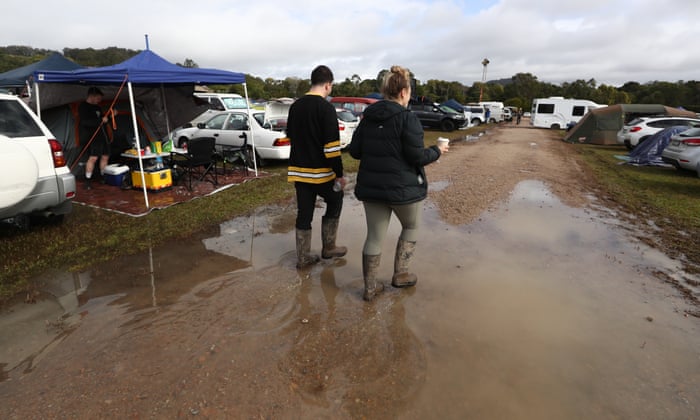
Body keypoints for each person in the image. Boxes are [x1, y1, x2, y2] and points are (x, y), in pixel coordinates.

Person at [349, 65, 449, 301]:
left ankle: (370, 289)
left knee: (374, 237)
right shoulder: (408, 119)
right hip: (404, 191)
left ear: (385, 90)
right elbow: (417, 157)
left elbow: (354, 152)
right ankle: (400, 274)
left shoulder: (368, 117)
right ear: (404, 92)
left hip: (371, 189)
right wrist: (437, 150)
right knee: (411, 226)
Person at [287, 65, 347, 269]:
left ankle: (303, 257)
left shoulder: (295, 107)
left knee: (304, 214)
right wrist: (339, 174)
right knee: (336, 199)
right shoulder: (326, 108)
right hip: (321, 174)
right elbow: (331, 148)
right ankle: (328, 247)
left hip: (298, 171)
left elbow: (290, 136)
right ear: (328, 85)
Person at [79, 86, 110, 189]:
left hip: (103, 135)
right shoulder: (83, 107)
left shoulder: (97, 107)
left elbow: (102, 119)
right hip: (92, 136)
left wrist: (109, 117)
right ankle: (87, 180)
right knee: (93, 158)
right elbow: (85, 122)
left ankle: (103, 176)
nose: (99, 100)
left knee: (105, 156)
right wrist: (100, 121)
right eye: (98, 98)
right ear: (92, 96)